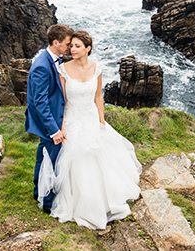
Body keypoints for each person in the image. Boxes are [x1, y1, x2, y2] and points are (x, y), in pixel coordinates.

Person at [37, 30, 142, 230]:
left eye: (77, 46)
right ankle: (82, 203)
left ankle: (106, 198)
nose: (72, 49)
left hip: (91, 118)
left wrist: (101, 121)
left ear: (88, 49)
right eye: (71, 46)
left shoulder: (97, 68)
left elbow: (98, 98)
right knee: (77, 162)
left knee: (102, 159)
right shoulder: (63, 69)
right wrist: (60, 126)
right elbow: (62, 100)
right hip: (72, 120)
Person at [25, 23, 74, 213]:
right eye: (68, 44)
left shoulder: (55, 59)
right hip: (49, 122)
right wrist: (53, 130)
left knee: (43, 156)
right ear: (56, 42)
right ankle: (47, 202)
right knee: (51, 160)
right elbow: (40, 102)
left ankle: (39, 190)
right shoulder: (42, 66)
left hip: (54, 118)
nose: (69, 47)